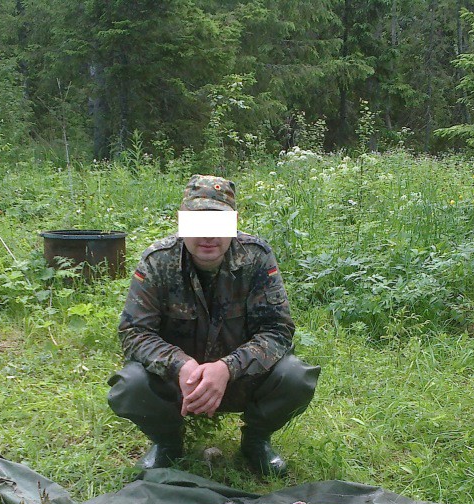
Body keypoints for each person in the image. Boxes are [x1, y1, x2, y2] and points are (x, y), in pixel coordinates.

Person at [108, 174, 319, 476]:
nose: (208, 236)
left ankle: (256, 441)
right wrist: (180, 366)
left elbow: (278, 331)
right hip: (180, 383)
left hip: (240, 378)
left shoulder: (256, 258)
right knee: (130, 384)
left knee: (296, 376)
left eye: (218, 224)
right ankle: (167, 442)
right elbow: (134, 332)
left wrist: (226, 368)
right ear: (182, 224)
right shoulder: (157, 261)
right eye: (197, 223)